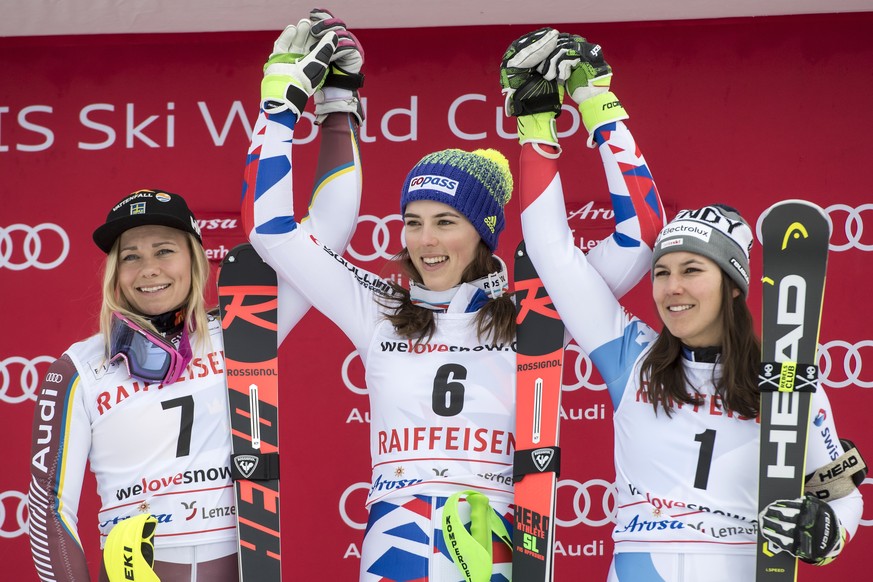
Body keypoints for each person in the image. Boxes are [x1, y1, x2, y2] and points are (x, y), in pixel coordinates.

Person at [243, 23, 664, 581]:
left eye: (446, 222)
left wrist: (595, 104)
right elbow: (271, 231)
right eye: (413, 223)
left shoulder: (535, 313)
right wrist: (282, 102)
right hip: (394, 535)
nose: (426, 241)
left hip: (491, 537)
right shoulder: (377, 308)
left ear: (484, 232)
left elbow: (642, 234)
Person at [512, 31, 865, 581]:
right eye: (661, 272)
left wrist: (827, 529)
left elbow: (841, 493)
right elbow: (551, 253)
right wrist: (555, 119)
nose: (671, 287)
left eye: (692, 271)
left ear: (732, 285)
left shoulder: (787, 375)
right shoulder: (631, 357)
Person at [26, 12, 364, 582]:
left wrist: (338, 106)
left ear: (195, 260)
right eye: (130, 255)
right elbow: (48, 512)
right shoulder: (79, 368)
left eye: (165, 251)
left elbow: (328, 231)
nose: (148, 269)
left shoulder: (242, 331)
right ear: (113, 272)